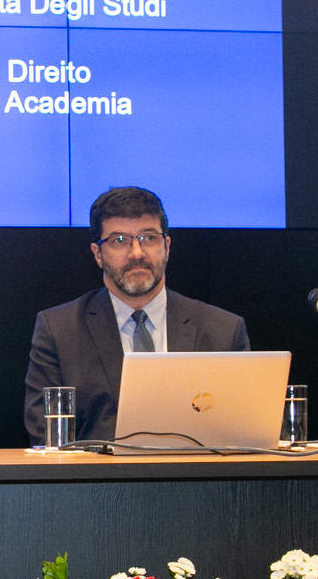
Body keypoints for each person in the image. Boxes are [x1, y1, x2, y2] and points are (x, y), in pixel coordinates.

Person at [23, 186, 251, 444]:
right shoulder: (59, 331)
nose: (136, 253)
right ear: (98, 254)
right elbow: (45, 434)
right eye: (119, 240)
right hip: (99, 482)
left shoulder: (222, 330)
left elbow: (244, 430)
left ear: (166, 246)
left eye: (148, 238)